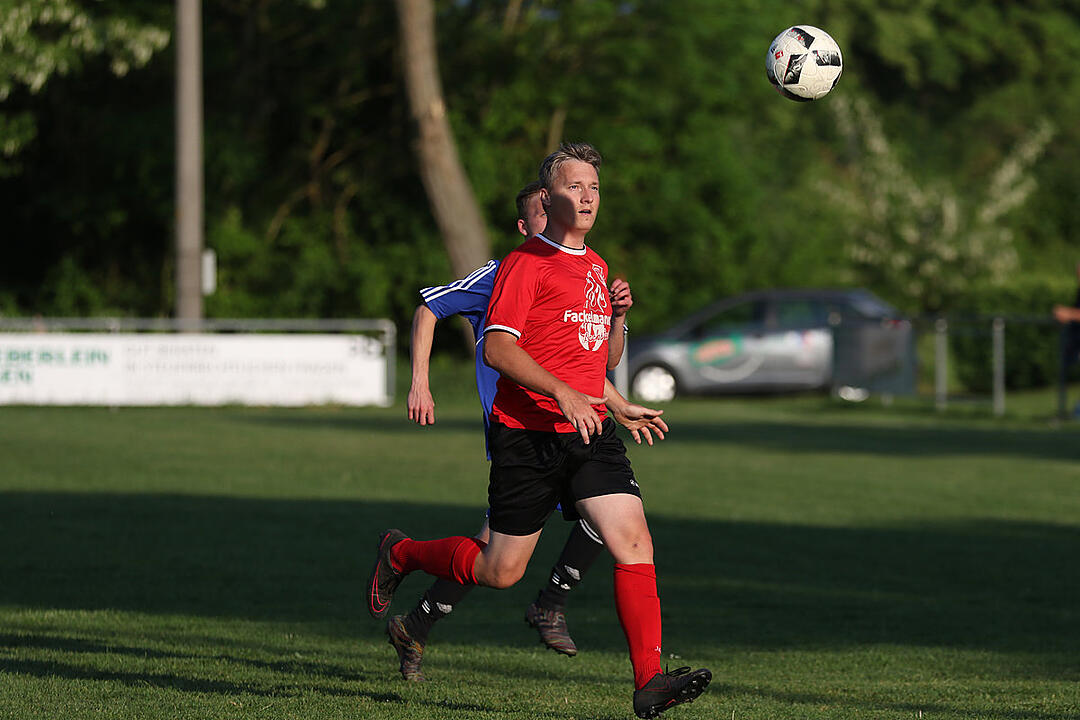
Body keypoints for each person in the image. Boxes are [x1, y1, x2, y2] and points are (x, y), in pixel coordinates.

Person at [368, 143, 711, 718]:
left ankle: (649, 680)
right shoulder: (524, 263)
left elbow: (594, 361)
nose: (588, 197)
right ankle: (401, 553)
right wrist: (561, 392)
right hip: (526, 436)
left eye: (594, 188)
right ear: (548, 199)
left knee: (632, 538)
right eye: (576, 187)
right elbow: (498, 349)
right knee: (499, 570)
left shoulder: (596, 267)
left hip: (589, 432)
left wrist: (617, 402)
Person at [389, 181, 661, 681]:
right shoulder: (505, 271)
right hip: (521, 430)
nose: (561, 213)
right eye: (545, 209)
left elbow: (590, 365)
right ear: (526, 223)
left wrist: (618, 334)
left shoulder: (585, 271)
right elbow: (430, 307)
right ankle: (417, 598)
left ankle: (549, 606)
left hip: (575, 426)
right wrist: (420, 381)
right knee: (498, 559)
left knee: (610, 521)